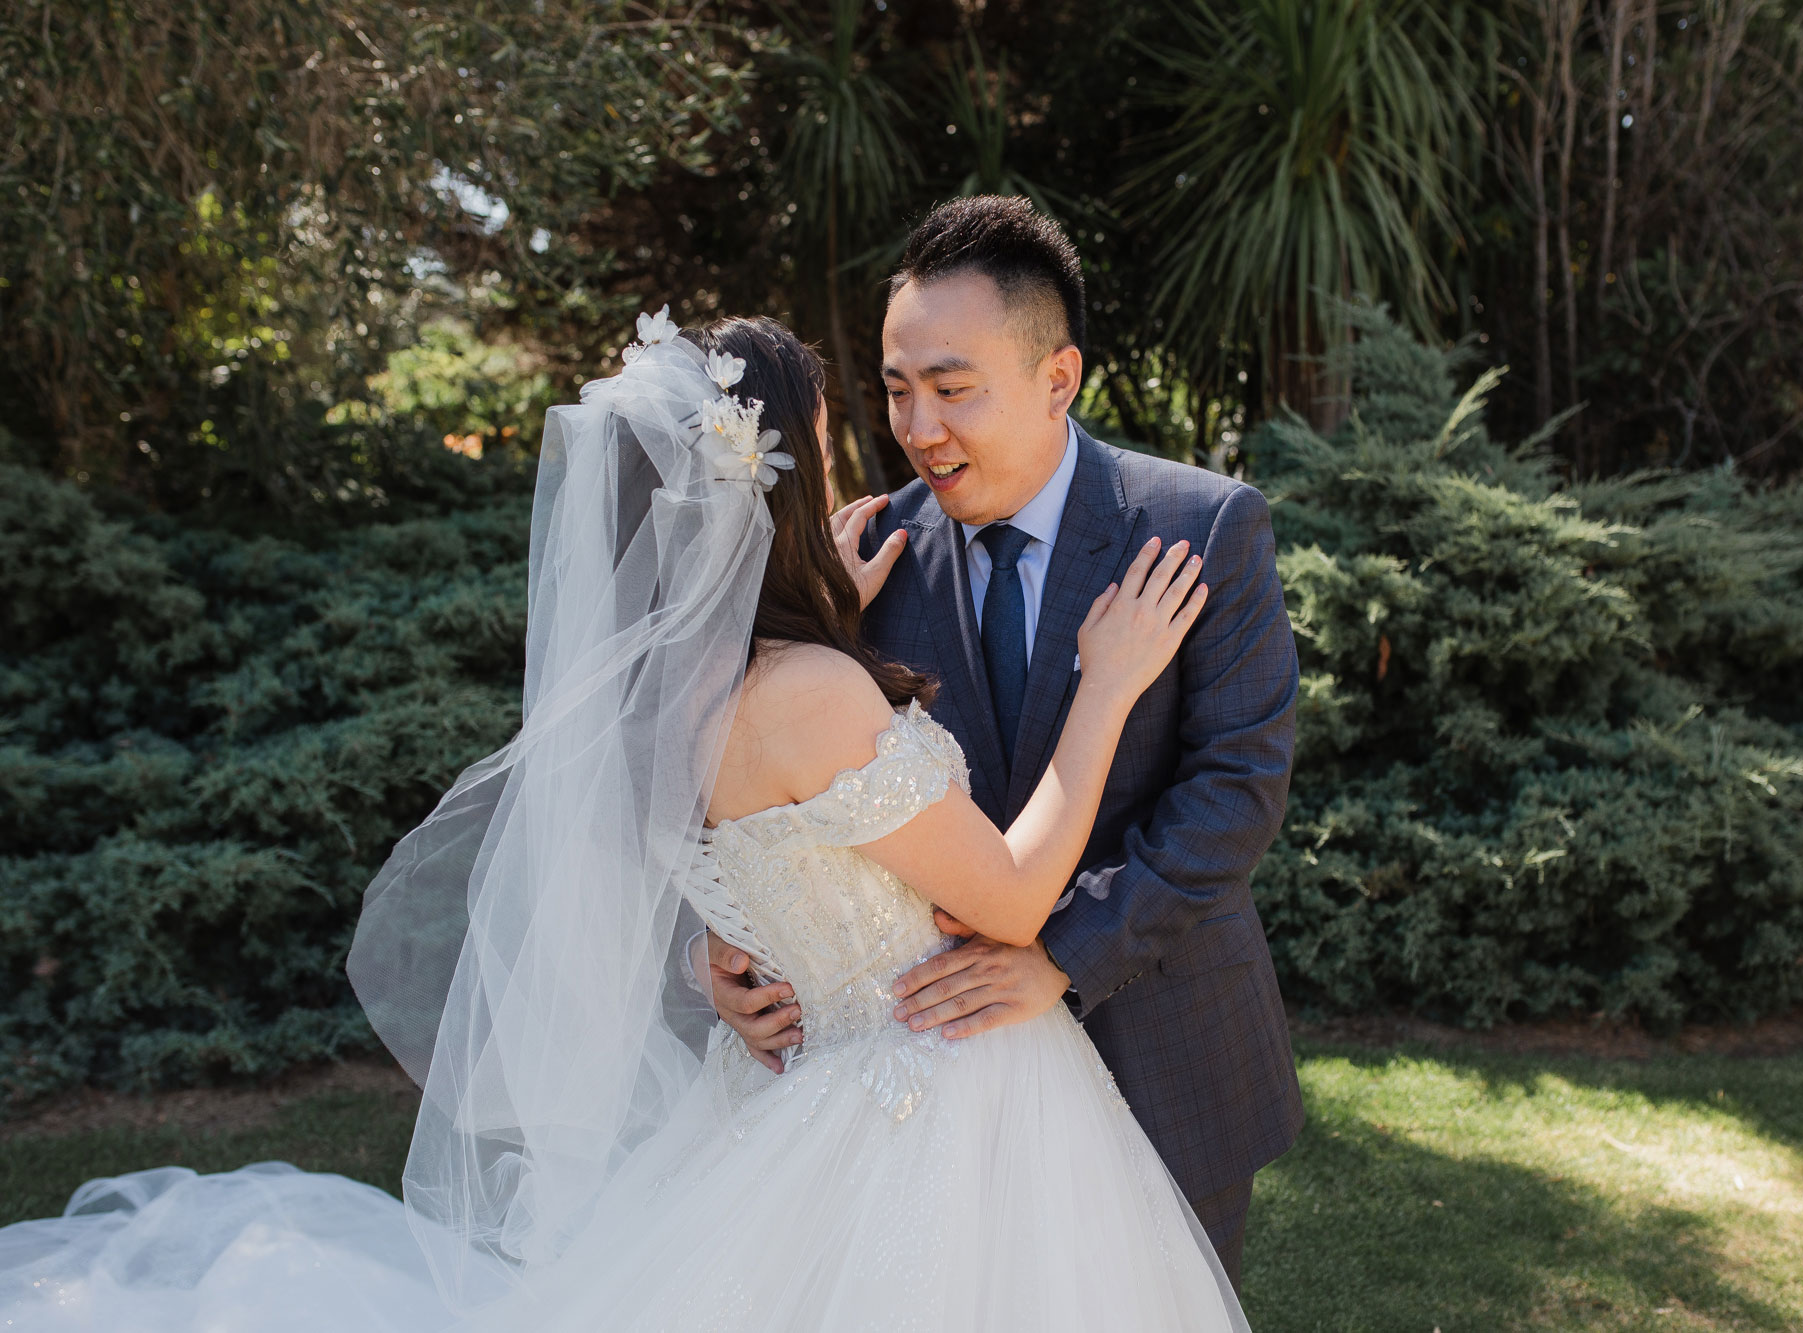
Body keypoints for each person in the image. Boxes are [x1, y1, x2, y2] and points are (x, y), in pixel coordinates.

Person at [0, 309, 1249, 1331]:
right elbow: (1014, 898)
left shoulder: (674, 696)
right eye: (820, 437)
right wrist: (1108, 687)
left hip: (803, 1086)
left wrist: (834, 633)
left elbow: (766, 850)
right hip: (932, 1093)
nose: (857, 453)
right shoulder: (804, 691)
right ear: (761, 478)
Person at [704, 195, 1303, 1284]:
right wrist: (733, 953)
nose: (918, 427)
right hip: (941, 1103)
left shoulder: (1200, 528)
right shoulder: (866, 558)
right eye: (895, 390)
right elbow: (779, 796)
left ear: (1057, 378)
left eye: (951, 388)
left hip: (1169, 1049)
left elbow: (1237, 789)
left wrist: (1060, 956)